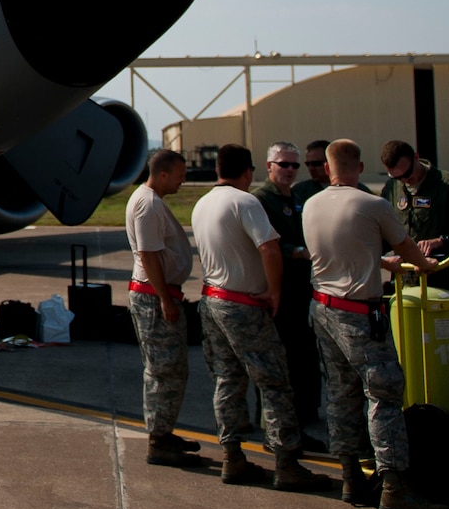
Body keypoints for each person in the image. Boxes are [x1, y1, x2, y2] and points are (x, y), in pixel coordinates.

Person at [303, 138, 449, 509]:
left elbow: (346, 249)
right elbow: (409, 249)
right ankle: (395, 486)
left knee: (341, 395)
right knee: (384, 396)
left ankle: (351, 477)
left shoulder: (313, 204)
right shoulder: (372, 204)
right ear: (360, 165)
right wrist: (424, 265)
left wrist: (383, 264)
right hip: (358, 313)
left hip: (322, 307)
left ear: (329, 166)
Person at [190, 144, 324, 490]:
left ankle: (233, 456)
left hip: (212, 299)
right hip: (243, 303)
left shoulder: (203, 203)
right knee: (275, 382)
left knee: (228, 381)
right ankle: (286, 461)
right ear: (249, 171)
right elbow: (268, 247)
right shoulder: (245, 201)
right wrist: (275, 291)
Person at [126, 149, 201, 468]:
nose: (184, 179)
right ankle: (158, 439)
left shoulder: (150, 200)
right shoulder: (148, 204)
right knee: (163, 369)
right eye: (181, 173)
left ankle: (164, 431)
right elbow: (148, 255)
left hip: (157, 293)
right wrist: (165, 299)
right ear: (163, 173)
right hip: (154, 296)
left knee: (170, 368)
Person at [253, 141, 323, 437]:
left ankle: (305, 409)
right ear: (269, 166)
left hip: (301, 287)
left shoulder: (298, 197)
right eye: (284, 164)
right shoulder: (260, 200)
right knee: (276, 356)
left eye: (295, 165)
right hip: (278, 286)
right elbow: (263, 244)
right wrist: (293, 250)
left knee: (304, 353)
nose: (291, 170)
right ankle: (274, 419)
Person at [380, 139, 449, 290]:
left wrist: (441, 241)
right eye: (397, 177)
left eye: (408, 174)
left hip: (442, 279)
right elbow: (384, 231)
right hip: (404, 281)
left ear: (416, 157)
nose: (405, 180)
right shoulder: (392, 188)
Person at [293, 139, 333, 211]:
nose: (311, 168)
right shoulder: (299, 191)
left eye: (316, 164)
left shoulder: (352, 188)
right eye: (308, 164)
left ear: (330, 162)